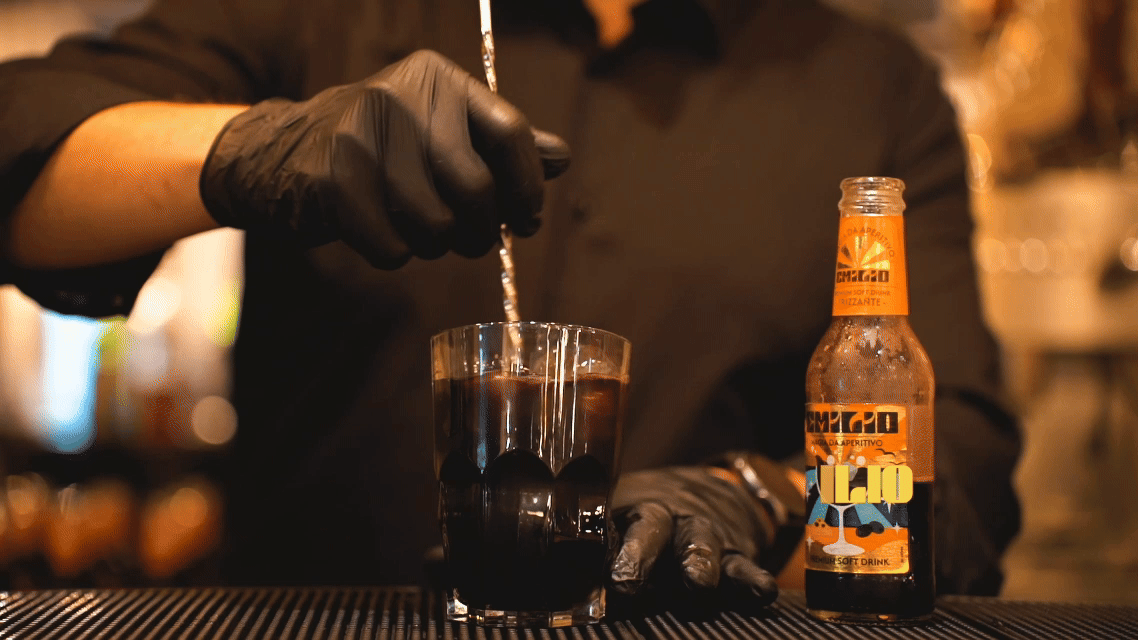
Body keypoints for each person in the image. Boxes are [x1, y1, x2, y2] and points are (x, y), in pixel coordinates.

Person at [0, 0, 1021, 601]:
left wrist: (763, 498)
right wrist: (254, 149)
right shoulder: (322, 10)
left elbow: (960, 471)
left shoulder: (873, 89)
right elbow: (18, 134)